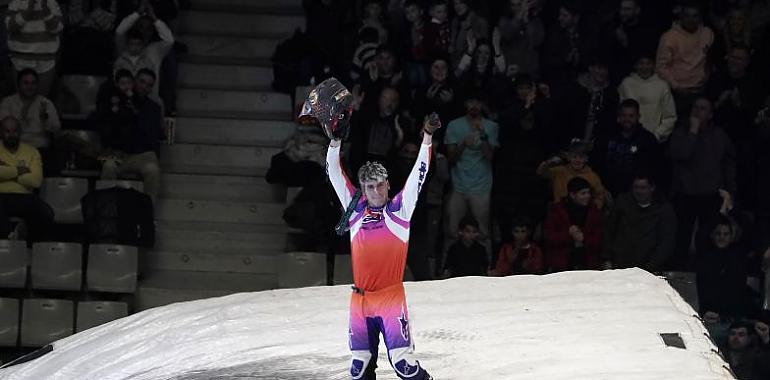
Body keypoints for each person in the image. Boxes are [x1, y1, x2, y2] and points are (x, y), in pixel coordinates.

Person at [325, 93, 436, 379]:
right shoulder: (355, 209)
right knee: (359, 368)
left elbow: (418, 176)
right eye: (369, 187)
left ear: (387, 184)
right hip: (360, 300)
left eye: (379, 185)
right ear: (362, 189)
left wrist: (426, 139)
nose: (375, 191)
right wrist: (335, 142)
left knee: (404, 366)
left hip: (390, 298)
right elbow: (335, 174)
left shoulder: (399, 210)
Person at [669, 97, 736, 270]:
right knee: (682, 237)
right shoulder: (680, 132)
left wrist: (730, 190)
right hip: (686, 194)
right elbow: (682, 154)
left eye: (703, 108)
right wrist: (693, 131)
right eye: (695, 107)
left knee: (707, 237)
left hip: (710, 195)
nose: (698, 111)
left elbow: (729, 164)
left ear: (711, 114)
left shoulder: (719, 135)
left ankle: (706, 270)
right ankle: (680, 272)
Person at [443, 94, 498, 265]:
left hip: (481, 187)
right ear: (466, 103)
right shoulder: (454, 125)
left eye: (478, 102)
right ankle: (447, 269)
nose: (474, 105)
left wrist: (483, 137)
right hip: (458, 186)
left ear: (483, 105)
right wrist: (463, 144)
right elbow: (450, 158)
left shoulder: (492, 126)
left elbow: (491, 157)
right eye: (471, 101)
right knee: (452, 231)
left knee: (482, 233)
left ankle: (487, 269)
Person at [99, 68, 164, 202]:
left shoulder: (154, 108)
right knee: (108, 166)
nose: (144, 86)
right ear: (134, 82)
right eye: (142, 82)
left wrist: (136, 113)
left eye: (149, 85)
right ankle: (106, 210)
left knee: (153, 171)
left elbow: (149, 134)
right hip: (120, 152)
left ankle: (148, 214)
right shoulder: (118, 101)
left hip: (143, 154)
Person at [602, 173, 676, 272]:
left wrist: (651, 266)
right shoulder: (622, 203)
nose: (639, 191)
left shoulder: (663, 209)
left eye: (643, 187)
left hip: (648, 268)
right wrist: (607, 258)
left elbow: (666, 242)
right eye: (636, 187)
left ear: (652, 188)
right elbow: (609, 230)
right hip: (620, 265)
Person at [591, 99, 661, 196]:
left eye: (631, 116)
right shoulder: (605, 136)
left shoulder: (647, 139)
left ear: (638, 117)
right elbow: (596, 163)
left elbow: (653, 169)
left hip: (635, 193)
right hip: (606, 191)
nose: (627, 119)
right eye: (624, 115)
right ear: (618, 117)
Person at [0, 116, 53, 243]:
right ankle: (9, 237)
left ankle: (31, 247)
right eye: (7, 131)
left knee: (46, 213)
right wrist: (19, 170)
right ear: (1, 132)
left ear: (20, 132)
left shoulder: (32, 152)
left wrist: (6, 170)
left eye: (14, 131)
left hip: (24, 196)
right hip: (0, 196)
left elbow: (36, 181)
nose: (11, 135)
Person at [655, 1, 714, 116]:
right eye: (687, 16)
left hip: (701, 90)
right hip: (677, 93)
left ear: (700, 17)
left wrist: (707, 74)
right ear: (680, 17)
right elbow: (661, 67)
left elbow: (710, 57)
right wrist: (677, 87)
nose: (691, 19)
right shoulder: (669, 37)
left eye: (695, 16)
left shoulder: (708, 33)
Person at [5, 0, 63, 97]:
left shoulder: (51, 3)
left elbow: (57, 28)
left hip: (46, 63)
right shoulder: (16, 2)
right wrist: (28, 10)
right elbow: (10, 26)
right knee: (20, 102)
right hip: (19, 61)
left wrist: (46, 11)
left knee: (42, 103)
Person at [543, 176, 602, 272]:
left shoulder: (594, 212)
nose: (587, 196)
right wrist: (568, 234)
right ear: (572, 195)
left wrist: (584, 238)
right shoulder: (556, 211)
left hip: (588, 264)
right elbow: (549, 237)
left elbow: (599, 237)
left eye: (588, 193)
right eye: (583, 193)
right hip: (562, 265)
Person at [618, 53, 677, 142]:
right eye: (641, 63)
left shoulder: (662, 86)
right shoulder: (626, 84)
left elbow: (670, 116)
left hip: (654, 140)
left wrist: (656, 135)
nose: (645, 67)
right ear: (636, 65)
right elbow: (620, 112)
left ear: (653, 66)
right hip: (628, 139)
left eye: (648, 63)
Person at [0, 68, 60, 153]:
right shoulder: (8, 102)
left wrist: (44, 118)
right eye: (26, 83)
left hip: (40, 148)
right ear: (18, 85)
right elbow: (2, 129)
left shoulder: (45, 103)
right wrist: (21, 116)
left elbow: (56, 129)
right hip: (15, 147)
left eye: (33, 83)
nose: (30, 87)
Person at [536, 139, 607, 210]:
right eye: (574, 157)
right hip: (559, 213)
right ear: (569, 158)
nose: (577, 160)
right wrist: (549, 162)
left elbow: (599, 197)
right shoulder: (559, 171)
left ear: (586, 159)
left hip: (581, 215)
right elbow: (541, 173)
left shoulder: (593, 176)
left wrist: (591, 211)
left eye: (581, 157)